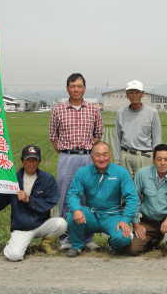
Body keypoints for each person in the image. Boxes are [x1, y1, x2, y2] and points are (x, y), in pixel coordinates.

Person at [0, 145, 68, 261]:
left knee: (61, 223)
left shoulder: (47, 179)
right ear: (22, 160)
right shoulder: (12, 181)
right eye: (28, 160)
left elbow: (50, 202)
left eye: (35, 160)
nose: (31, 163)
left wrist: (29, 200)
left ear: (39, 161)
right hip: (21, 228)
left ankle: (45, 243)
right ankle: (13, 244)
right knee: (14, 256)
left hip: (42, 225)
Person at [49, 73, 104, 251]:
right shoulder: (59, 110)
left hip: (88, 157)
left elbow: (98, 134)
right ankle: (65, 239)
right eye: (73, 86)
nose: (76, 89)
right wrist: (67, 153)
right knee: (65, 196)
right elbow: (53, 137)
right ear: (67, 89)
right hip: (67, 157)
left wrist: (86, 151)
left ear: (84, 88)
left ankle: (87, 238)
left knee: (88, 197)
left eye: (79, 86)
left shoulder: (93, 109)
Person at [65, 141, 138, 257]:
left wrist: (125, 219)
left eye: (105, 154)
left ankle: (114, 244)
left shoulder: (121, 172)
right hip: (91, 215)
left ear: (110, 155)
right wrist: (76, 209)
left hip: (113, 215)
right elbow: (73, 194)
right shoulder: (82, 172)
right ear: (91, 156)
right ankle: (77, 246)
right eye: (97, 155)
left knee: (124, 238)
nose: (101, 159)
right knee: (71, 216)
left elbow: (132, 197)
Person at [126, 144, 167, 256]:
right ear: (153, 160)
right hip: (149, 220)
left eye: (166, 159)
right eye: (159, 159)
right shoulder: (142, 174)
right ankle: (155, 239)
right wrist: (136, 224)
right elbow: (134, 198)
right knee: (132, 250)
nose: (162, 163)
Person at [114, 80, 162, 178]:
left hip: (145, 157)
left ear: (142, 94)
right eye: (131, 92)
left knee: (145, 189)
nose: (134, 95)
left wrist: (157, 159)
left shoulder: (152, 113)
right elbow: (117, 139)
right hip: (126, 156)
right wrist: (117, 161)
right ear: (127, 95)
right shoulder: (121, 113)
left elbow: (157, 139)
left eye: (137, 92)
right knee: (126, 189)